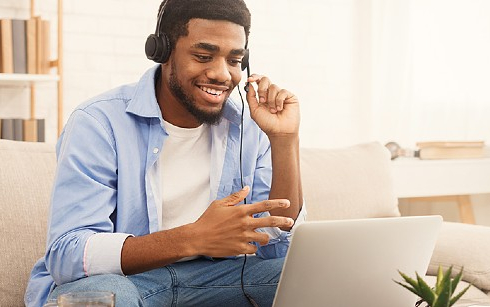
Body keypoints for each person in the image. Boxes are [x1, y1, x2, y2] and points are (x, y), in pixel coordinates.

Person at [24, 0, 305, 306]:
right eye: (203, 56)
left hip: (218, 280)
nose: (222, 74)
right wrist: (192, 238)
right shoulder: (98, 122)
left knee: (308, 279)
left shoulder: (249, 128)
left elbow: (277, 247)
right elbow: (68, 254)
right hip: (127, 283)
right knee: (100, 298)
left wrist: (284, 139)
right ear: (163, 51)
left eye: (234, 60)